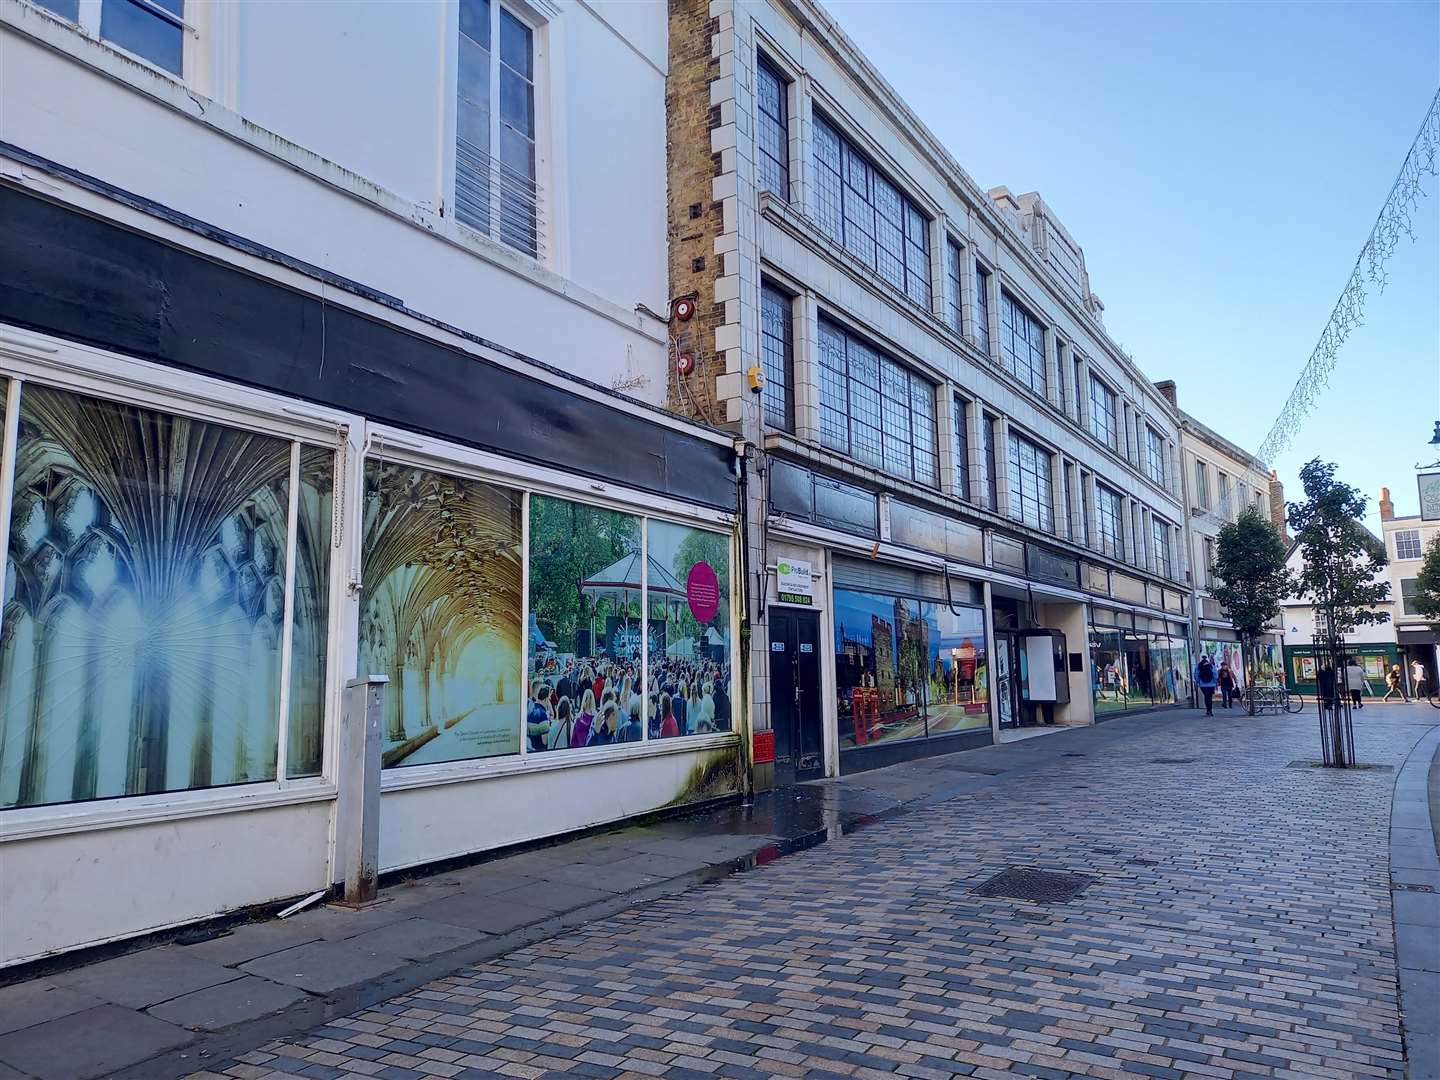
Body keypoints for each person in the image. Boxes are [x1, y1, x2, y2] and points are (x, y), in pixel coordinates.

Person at [526, 683, 552, 751]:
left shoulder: (531, 709)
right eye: (549, 698)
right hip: (539, 751)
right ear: (546, 699)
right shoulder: (542, 715)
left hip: (530, 748)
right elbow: (545, 741)